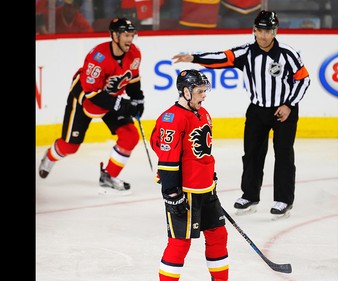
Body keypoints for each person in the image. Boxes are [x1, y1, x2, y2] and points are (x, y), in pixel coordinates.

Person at [172, 10, 311, 217]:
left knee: (283, 155)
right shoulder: (246, 52)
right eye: (260, 31)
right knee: (252, 154)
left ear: (276, 31)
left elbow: (304, 79)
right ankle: (250, 196)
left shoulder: (287, 53)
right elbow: (221, 57)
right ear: (254, 30)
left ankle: (283, 200)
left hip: (284, 111)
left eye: (269, 31)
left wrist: (289, 104)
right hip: (257, 110)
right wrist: (194, 58)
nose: (264, 36)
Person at [38, 17, 145, 194]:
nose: (130, 39)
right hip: (84, 97)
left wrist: (138, 99)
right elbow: (92, 93)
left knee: (130, 136)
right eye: (126, 35)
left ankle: (108, 177)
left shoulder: (134, 53)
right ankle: (50, 156)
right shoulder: (98, 57)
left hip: (109, 98)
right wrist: (120, 103)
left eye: (132, 35)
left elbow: (132, 80)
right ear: (114, 36)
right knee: (69, 146)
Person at [150, 69, 229, 281]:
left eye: (205, 90)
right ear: (186, 91)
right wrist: (171, 193)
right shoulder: (172, 118)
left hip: (206, 189)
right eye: (200, 91)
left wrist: (208, 176)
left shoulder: (203, 113)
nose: (204, 95)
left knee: (218, 235)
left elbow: (202, 152)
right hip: (184, 192)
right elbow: (166, 158)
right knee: (180, 243)